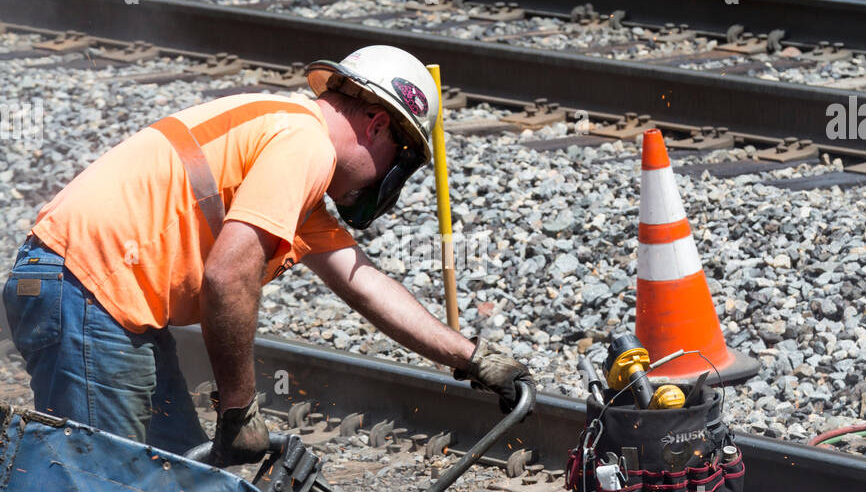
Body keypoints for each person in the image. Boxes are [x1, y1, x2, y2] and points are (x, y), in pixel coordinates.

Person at [3, 45, 531, 465]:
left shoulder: (291, 140)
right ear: (376, 125)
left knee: (179, 485)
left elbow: (362, 280)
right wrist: (239, 410)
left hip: (96, 298)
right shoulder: (305, 144)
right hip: (85, 293)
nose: (390, 178)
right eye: (400, 156)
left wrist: (470, 357)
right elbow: (229, 276)